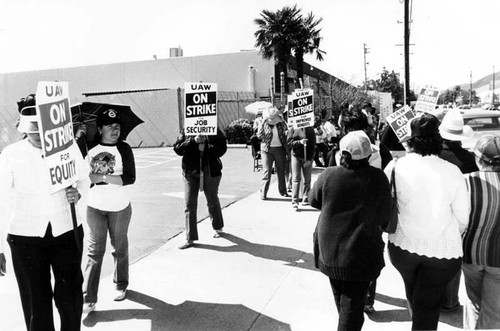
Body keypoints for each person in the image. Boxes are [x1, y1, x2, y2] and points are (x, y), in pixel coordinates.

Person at [0, 95, 90, 330]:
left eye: (43, 129)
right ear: (23, 128)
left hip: (66, 231)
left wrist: (78, 193)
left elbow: (84, 180)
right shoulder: (11, 154)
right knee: (35, 302)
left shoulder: (69, 148)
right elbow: (2, 200)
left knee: (70, 298)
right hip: (25, 237)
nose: (39, 136)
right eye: (33, 130)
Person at [384, 113, 470, 330]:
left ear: (411, 141)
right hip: (443, 252)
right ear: (438, 140)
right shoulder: (453, 171)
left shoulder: (395, 167)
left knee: (414, 296)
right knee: (428, 305)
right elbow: (462, 218)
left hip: (402, 246)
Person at [309, 131, 392, 331]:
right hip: (361, 253)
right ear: (368, 155)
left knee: (344, 304)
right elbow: (384, 216)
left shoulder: (329, 175)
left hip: (331, 250)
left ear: (342, 153)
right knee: (352, 308)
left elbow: (313, 200)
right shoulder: (378, 178)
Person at [82, 108, 136, 313]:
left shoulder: (124, 148)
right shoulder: (89, 147)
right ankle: (89, 297)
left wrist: (102, 178)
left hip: (119, 207)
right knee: (95, 251)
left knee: (119, 247)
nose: (115, 130)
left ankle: (120, 284)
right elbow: (79, 173)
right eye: (110, 127)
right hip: (95, 207)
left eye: (117, 127)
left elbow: (130, 177)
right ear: (100, 128)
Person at [438, 109, 478, 312]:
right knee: (455, 256)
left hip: (436, 210)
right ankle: (450, 299)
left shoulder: (435, 156)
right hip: (461, 212)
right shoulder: (469, 158)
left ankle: (436, 297)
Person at [462, 135, 500, 329]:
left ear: (478, 159)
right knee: (494, 312)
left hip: (470, 253)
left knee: (473, 303)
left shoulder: (466, 181)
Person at [173, 128, 227, 249]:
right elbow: (177, 148)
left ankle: (218, 227)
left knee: (212, 200)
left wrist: (207, 143)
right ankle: (190, 237)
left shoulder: (213, 127)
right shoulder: (187, 129)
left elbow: (222, 148)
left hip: (210, 170)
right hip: (190, 171)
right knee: (189, 204)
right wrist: (193, 140)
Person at [256, 107, 288, 199]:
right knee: (267, 172)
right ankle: (263, 192)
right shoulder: (265, 123)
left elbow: (287, 132)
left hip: (280, 149)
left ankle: (283, 191)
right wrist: (262, 123)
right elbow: (259, 135)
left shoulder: (281, 124)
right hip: (267, 150)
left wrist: (284, 123)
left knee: (281, 171)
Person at [287, 125, 315, 210]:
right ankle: (295, 201)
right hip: (296, 156)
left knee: (307, 179)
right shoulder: (293, 129)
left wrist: (309, 159)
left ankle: (306, 198)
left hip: (307, 157)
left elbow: (313, 145)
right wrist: (299, 142)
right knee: (296, 178)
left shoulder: (310, 129)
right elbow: (288, 143)